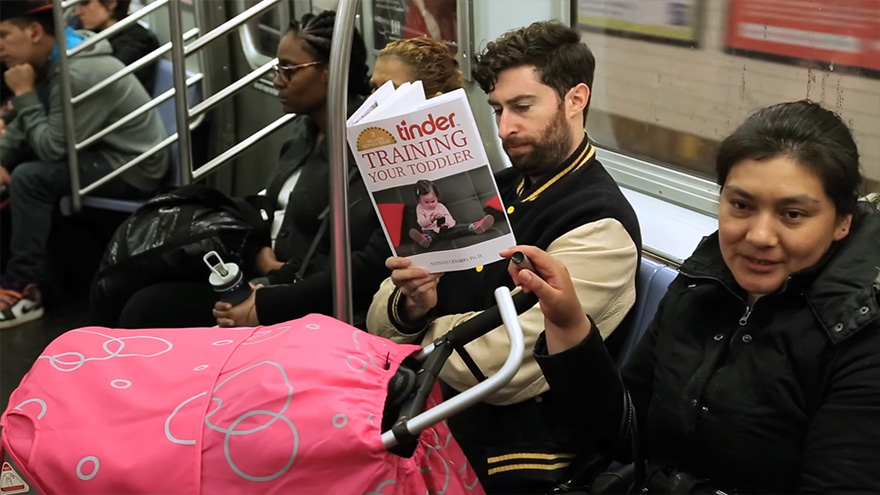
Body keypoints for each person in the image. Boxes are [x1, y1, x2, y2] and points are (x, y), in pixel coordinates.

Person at [509, 100, 880, 493]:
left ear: (842, 222)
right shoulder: (704, 283)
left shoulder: (860, 339)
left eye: (792, 215)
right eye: (741, 205)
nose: (759, 236)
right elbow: (628, 433)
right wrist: (568, 324)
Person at [365, 21, 641, 494]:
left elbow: (498, 366)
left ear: (576, 99)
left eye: (522, 107)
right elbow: (379, 313)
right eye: (496, 110)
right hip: (434, 411)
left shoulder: (600, 225)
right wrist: (414, 303)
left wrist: (415, 337)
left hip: (511, 448)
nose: (505, 128)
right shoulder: (502, 186)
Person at [112, 10, 378, 329]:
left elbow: (346, 254)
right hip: (264, 271)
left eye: (289, 70)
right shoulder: (303, 136)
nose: (278, 81)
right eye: (277, 68)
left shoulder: (359, 149)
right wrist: (257, 252)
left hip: (297, 291)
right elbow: (272, 206)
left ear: (329, 71)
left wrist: (272, 283)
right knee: (141, 292)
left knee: (147, 310)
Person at [212, 36, 466, 328]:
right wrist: (272, 285)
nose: (376, 103)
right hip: (324, 294)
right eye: (373, 90)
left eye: (391, 92)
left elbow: (370, 266)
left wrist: (271, 305)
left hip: (375, 312)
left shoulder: (432, 176)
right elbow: (325, 242)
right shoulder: (370, 155)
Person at [0, 0, 168, 329]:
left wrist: (22, 92)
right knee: (20, 167)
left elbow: (51, 148)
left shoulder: (76, 71)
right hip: (97, 152)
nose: (0, 47)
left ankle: (24, 288)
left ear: (34, 32)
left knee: (29, 177)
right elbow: (24, 124)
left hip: (133, 165)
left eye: (4, 36)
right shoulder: (51, 61)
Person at [74, 0, 160, 94]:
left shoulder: (136, 42)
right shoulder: (87, 28)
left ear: (111, 3)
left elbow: (99, 81)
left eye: (85, 3)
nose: (78, 12)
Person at [408, 179, 494, 249]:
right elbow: (421, 222)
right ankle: (425, 240)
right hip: (430, 231)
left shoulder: (440, 206)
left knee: (457, 229)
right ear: (419, 200)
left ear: (437, 197)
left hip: (446, 230)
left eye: (433, 201)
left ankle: (475, 227)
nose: (430, 204)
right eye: (426, 202)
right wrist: (431, 220)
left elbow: (451, 219)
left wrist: (447, 224)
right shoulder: (419, 208)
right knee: (430, 235)